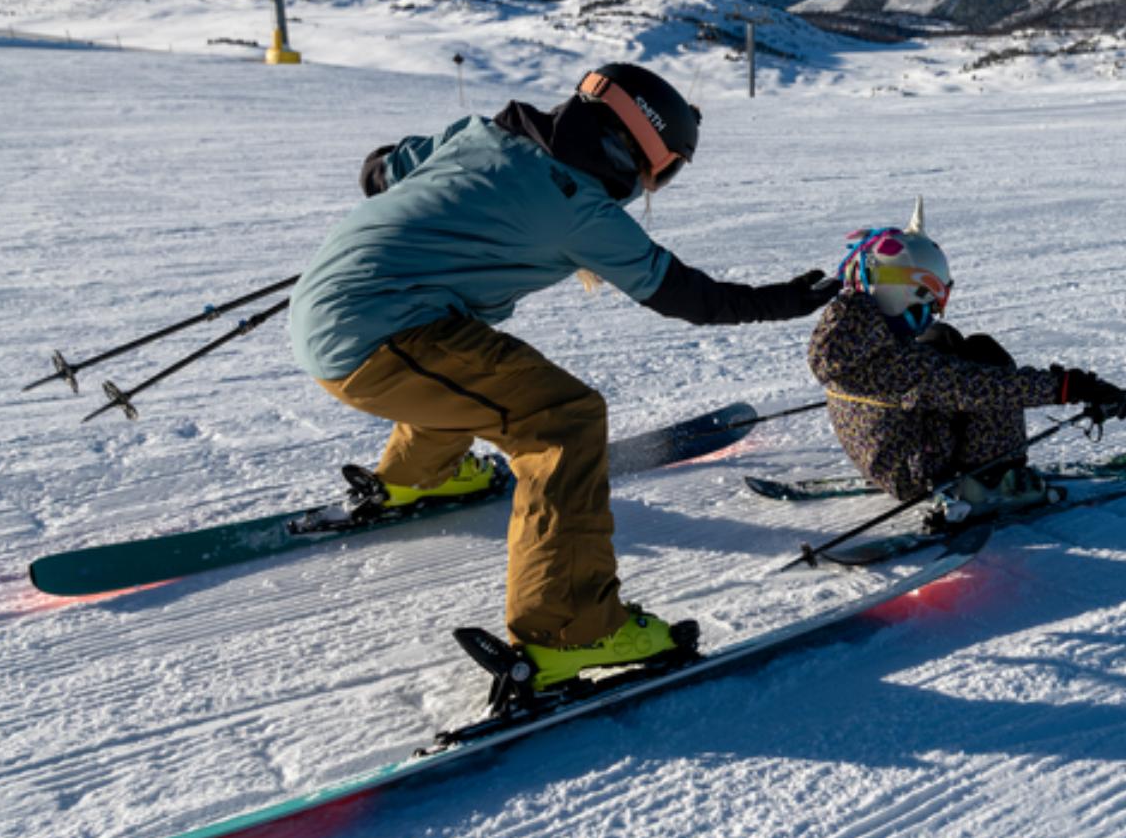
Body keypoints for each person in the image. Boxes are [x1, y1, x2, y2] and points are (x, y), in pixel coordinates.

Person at [288, 63, 836, 689]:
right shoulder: (579, 206)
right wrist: (785, 299)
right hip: (376, 339)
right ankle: (571, 629)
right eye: (672, 166)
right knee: (562, 418)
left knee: (478, 369)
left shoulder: (481, 135)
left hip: (333, 308)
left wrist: (427, 215)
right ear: (645, 150)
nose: (662, 182)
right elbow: (687, 296)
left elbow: (379, 169)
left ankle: (421, 475)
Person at [806, 199, 1126, 515]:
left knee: (944, 340)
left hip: (892, 450)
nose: (931, 315)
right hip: (916, 472)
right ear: (902, 293)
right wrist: (1074, 386)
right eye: (928, 305)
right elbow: (989, 387)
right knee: (988, 366)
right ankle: (996, 482)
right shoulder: (899, 366)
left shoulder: (849, 336)